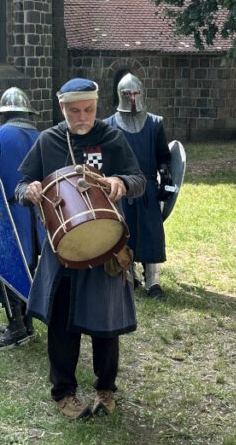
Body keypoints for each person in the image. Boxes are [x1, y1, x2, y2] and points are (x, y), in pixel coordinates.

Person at [17, 78, 146, 420]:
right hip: (64, 248)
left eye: (88, 109)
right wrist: (27, 190)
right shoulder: (50, 140)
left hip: (105, 245)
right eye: (74, 111)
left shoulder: (111, 137)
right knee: (62, 322)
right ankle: (64, 393)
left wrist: (121, 182)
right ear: (62, 109)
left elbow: (138, 180)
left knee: (106, 322)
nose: (82, 117)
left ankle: (106, 389)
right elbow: (21, 183)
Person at [0, 87, 45, 350]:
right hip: (37, 217)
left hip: (7, 213)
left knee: (2, 270)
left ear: (4, 112)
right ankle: (26, 323)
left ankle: (17, 327)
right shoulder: (41, 136)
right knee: (28, 269)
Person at [105, 73, 173, 299]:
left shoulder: (155, 123)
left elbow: (163, 155)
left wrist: (166, 176)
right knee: (125, 232)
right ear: (120, 95)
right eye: (127, 94)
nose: (132, 98)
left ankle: (153, 282)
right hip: (122, 188)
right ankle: (128, 275)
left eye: (135, 93)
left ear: (142, 94)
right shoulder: (109, 125)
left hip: (148, 189)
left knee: (151, 232)